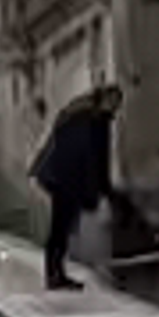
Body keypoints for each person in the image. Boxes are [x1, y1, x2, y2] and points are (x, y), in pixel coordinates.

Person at [35, 76, 124, 289]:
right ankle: (54, 275)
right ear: (104, 98)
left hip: (61, 177)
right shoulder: (93, 120)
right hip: (65, 179)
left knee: (62, 227)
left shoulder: (81, 114)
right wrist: (102, 191)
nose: (116, 107)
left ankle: (55, 273)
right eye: (115, 101)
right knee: (61, 227)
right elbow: (94, 158)